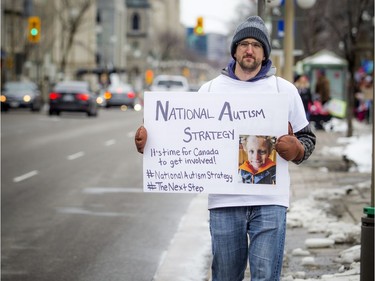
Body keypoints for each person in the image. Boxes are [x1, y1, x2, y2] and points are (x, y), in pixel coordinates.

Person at [135, 16, 316, 281]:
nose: (249, 49)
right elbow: (183, 132)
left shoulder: (284, 90)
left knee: (265, 275)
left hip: (269, 201)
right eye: (243, 43)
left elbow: (307, 139)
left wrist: (298, 149)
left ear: (265, 51)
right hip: (225, 201)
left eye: (256, 44)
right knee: (225, 276)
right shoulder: (210, 90)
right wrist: (150, 139)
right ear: (234, 50)